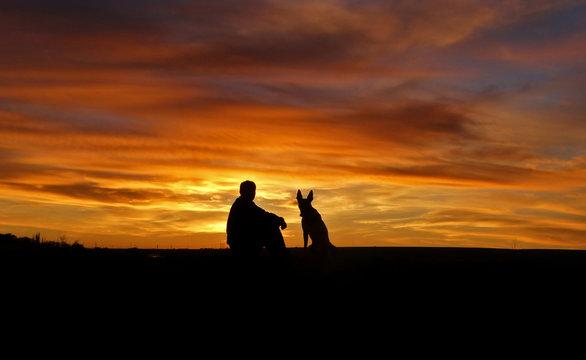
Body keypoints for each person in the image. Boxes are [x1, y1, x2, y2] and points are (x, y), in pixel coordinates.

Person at [226, 180, 288, 257]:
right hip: (241, 243)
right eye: (249, 190)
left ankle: (281, 256)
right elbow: (263, 215)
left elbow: (262, 214)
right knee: (271, 228)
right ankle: (282, 257)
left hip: (240, 241)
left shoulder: (243, 203)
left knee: (269, 224)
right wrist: (279, 220)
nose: (252, 193)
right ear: (241, 191)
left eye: (253, 190)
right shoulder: (243, 204)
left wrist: (278, 219)